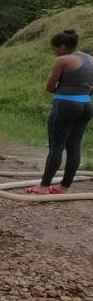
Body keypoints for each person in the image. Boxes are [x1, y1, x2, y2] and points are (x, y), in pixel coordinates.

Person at [27, 30, 93, 195]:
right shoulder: (91, 59)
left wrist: (63, 91)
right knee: (74, 145)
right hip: (86, 104)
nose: (53, 51)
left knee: (56, 145)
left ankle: (43, 186)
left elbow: (50, 87)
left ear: (63, 46)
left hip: (65, 105)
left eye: (54, 48)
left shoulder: (62, 60)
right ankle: (65, 186)